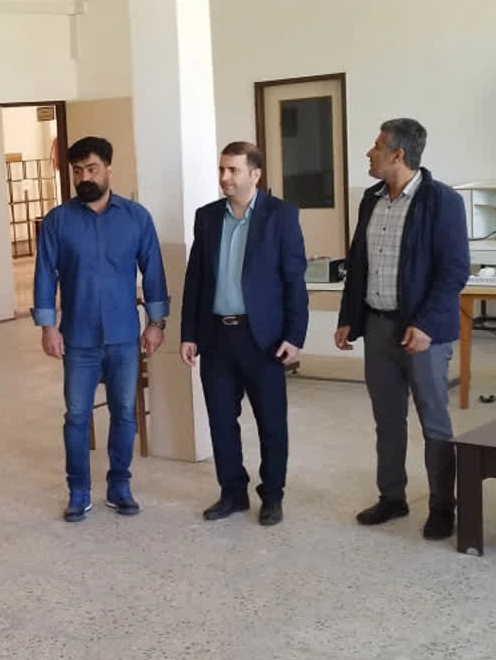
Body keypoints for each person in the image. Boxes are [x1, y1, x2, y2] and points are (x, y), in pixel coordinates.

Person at [334, 118, 469, 540]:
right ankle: (392, 497)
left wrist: (426, 324)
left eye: (376, 146)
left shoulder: (442, 201)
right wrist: (348, 317)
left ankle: (443, 507)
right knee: (387, 420)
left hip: (422, 333)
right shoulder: (371, 199)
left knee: (434, 422)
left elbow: (454, 271)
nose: (368, 152)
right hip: (377, 326)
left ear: (398, 154)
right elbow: (359, 263)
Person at [33, 135, 169, 521]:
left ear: (109, 168)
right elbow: (45, 275)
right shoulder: (58, 221)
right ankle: (78, 490)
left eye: (92, 169)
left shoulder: (136, 218)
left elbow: (153, 271)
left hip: (124, 336)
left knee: (124, 413)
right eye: (77, 171)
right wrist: (47, 326)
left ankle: (119, 485)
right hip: (78, 338)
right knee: (77, 416)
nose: (84, 177)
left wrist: (156, 323)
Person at [180, 142, 308, 526]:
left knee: (272, 423)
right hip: (216, 336)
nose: (224, 178)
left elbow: (294, 281)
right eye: (221, 169)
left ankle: (272, 496)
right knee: (221, 421)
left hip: (263, 338)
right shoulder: (207, 217)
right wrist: (189, 333)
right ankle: (232, 493)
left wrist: (295, 335)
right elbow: (195, 280)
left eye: (233, 170)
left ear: (255, 174)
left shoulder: (281, 216)